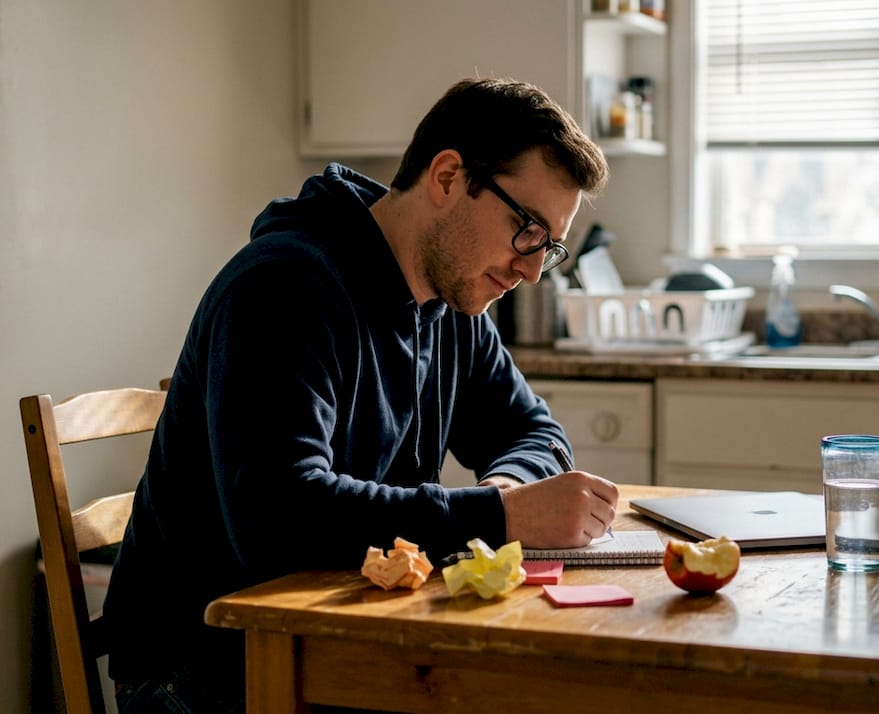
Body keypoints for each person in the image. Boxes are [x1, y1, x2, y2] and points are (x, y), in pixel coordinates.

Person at [103, 77, 617, 713]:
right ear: (450, 176)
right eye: (527, 229)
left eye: (551, 247)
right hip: (204, 666)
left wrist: (504, 491)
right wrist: (500, 521)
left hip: (340, 634)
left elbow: (533, 433)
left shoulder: (453, 303)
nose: (533, 270)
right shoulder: (282, 287)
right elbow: (279, 519)